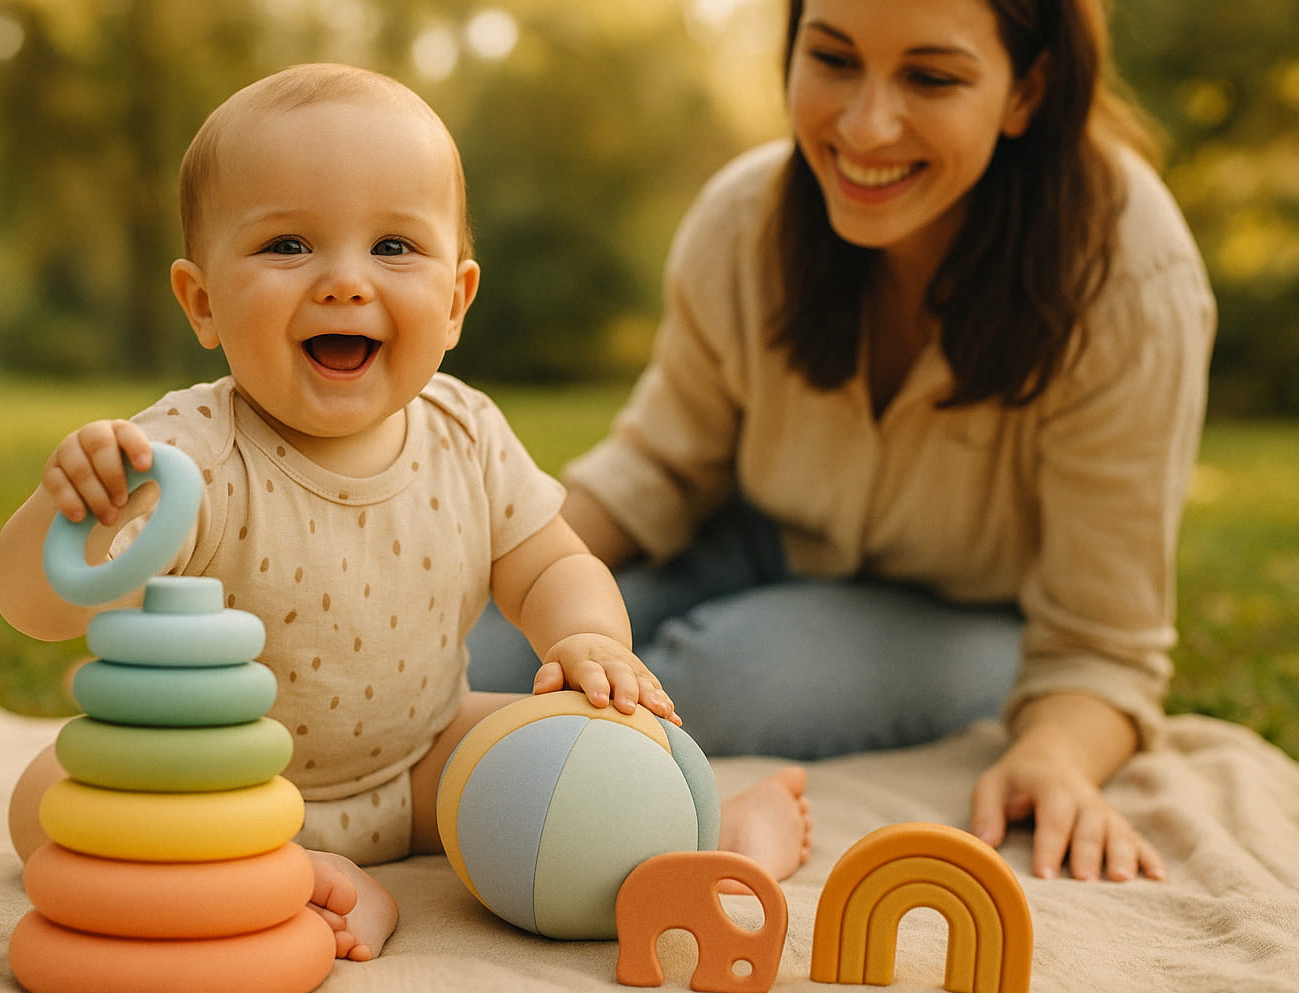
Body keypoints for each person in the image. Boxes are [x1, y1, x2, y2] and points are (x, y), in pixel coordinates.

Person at [0, 64, 810, 964]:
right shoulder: (185, 455)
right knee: (47, 802)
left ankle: (708, 832)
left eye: (392, 248)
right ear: (203, 302)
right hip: (220, 782)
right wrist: (73, 506)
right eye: (289, 246)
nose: (345, 282)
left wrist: (589, 639)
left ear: (456, 301)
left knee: (584, 756)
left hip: (425, 760)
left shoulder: (468, 435)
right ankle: (298, 878)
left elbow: (551, 564)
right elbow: (41, 606)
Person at [469, 0, 1215, 886]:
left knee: (720, 677)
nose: (866, 126)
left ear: (1028, 90)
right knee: (483, 643)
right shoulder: (743, 219)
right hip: (756, 538)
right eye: (832, 59)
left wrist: (1053, 756)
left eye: (931, 77)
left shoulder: (1128, 277)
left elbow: (1103, 644)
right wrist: (481, 562)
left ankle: (473, 769)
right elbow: (655, 473)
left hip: (973, 616)